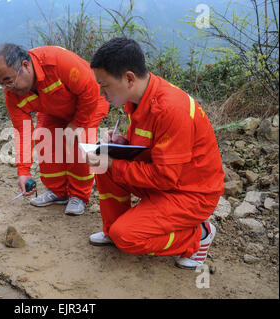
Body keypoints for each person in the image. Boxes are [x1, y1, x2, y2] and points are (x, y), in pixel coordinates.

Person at [86, 37, 225, 269]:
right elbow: (152, 147)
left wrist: (113, 163)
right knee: (103, 164)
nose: (102, 94)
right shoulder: (138, 99)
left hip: (191, 194)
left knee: (127, 237)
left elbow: (164, 176)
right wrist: (123, 144)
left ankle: (198, 235)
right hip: (168, 182)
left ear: (129, 78)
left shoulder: (170, 109)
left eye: (105, 85)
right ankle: (111, 230)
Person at [0, 43, 109, 216]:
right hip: (53, 109)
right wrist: (23, 172)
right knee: (45, 140)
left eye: (8, 80)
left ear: (25, 65)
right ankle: (58, 192)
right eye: (0, 83)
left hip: (89, 104)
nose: (6, 88)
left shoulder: (58, 62)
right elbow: (22, 131)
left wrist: (77, 124)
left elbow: (91, 90)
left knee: (77, 145)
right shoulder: (11, 94)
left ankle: (79, 196)